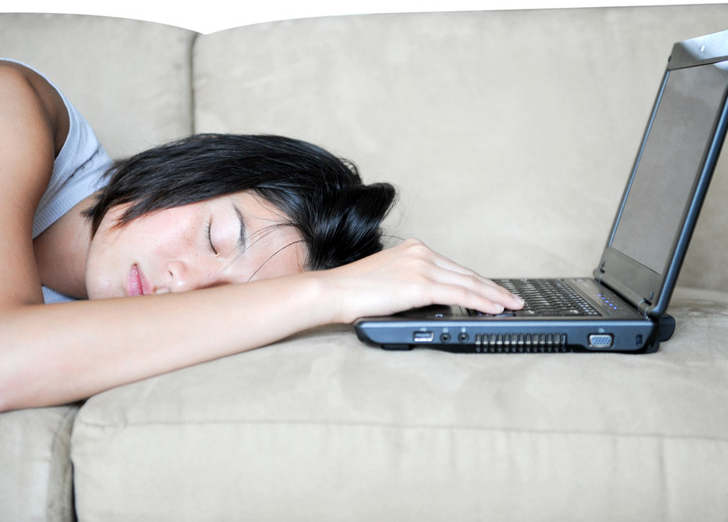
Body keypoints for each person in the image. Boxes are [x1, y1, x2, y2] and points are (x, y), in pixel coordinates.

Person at [0, 60, 523, 413]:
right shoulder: (13, 103)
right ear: (195, 169)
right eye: (215, 237)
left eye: (228, 298)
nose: (183, 288)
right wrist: (333, 292)